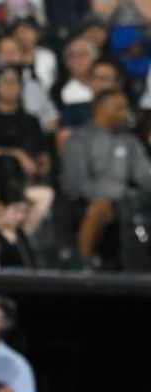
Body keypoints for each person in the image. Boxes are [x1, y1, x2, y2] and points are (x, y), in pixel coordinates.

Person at [61, 88, 151, 265]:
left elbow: (144, 175)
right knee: (100, 208)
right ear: (101, 108)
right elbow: (77, 181)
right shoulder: (80, 139)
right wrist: (108, 196)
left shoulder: (129, 141)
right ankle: (83, 264)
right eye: (119, 107)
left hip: (125, 202)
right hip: (85, 201)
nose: (125, 112)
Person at [0, 64, 53, 224]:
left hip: (23, 182)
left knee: (46, 194)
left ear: (21, 87)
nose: (9, 86)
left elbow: (43, 154)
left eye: (14, 81)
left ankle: (21, 241)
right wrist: (16, 154)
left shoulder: (31, 120)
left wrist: (40, 166)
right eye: (4, 81)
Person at [0, 34, 59, 132]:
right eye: (4, 52)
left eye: (13, 52)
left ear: (22, 56)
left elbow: (52, 118)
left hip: (30, 141)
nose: (9, 56)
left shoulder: (35, 86)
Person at [0, 189, 38, 269]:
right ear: (0, 207)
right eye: (16, 210)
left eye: (23, 212)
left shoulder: (20, 234)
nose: (20, 217)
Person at [9, 15, 57, 91]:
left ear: (37, 34)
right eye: (20, 32)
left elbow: (50, 84)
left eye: (27, 32)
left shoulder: (47, 56)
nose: (23, 36)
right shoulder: (9, 57)